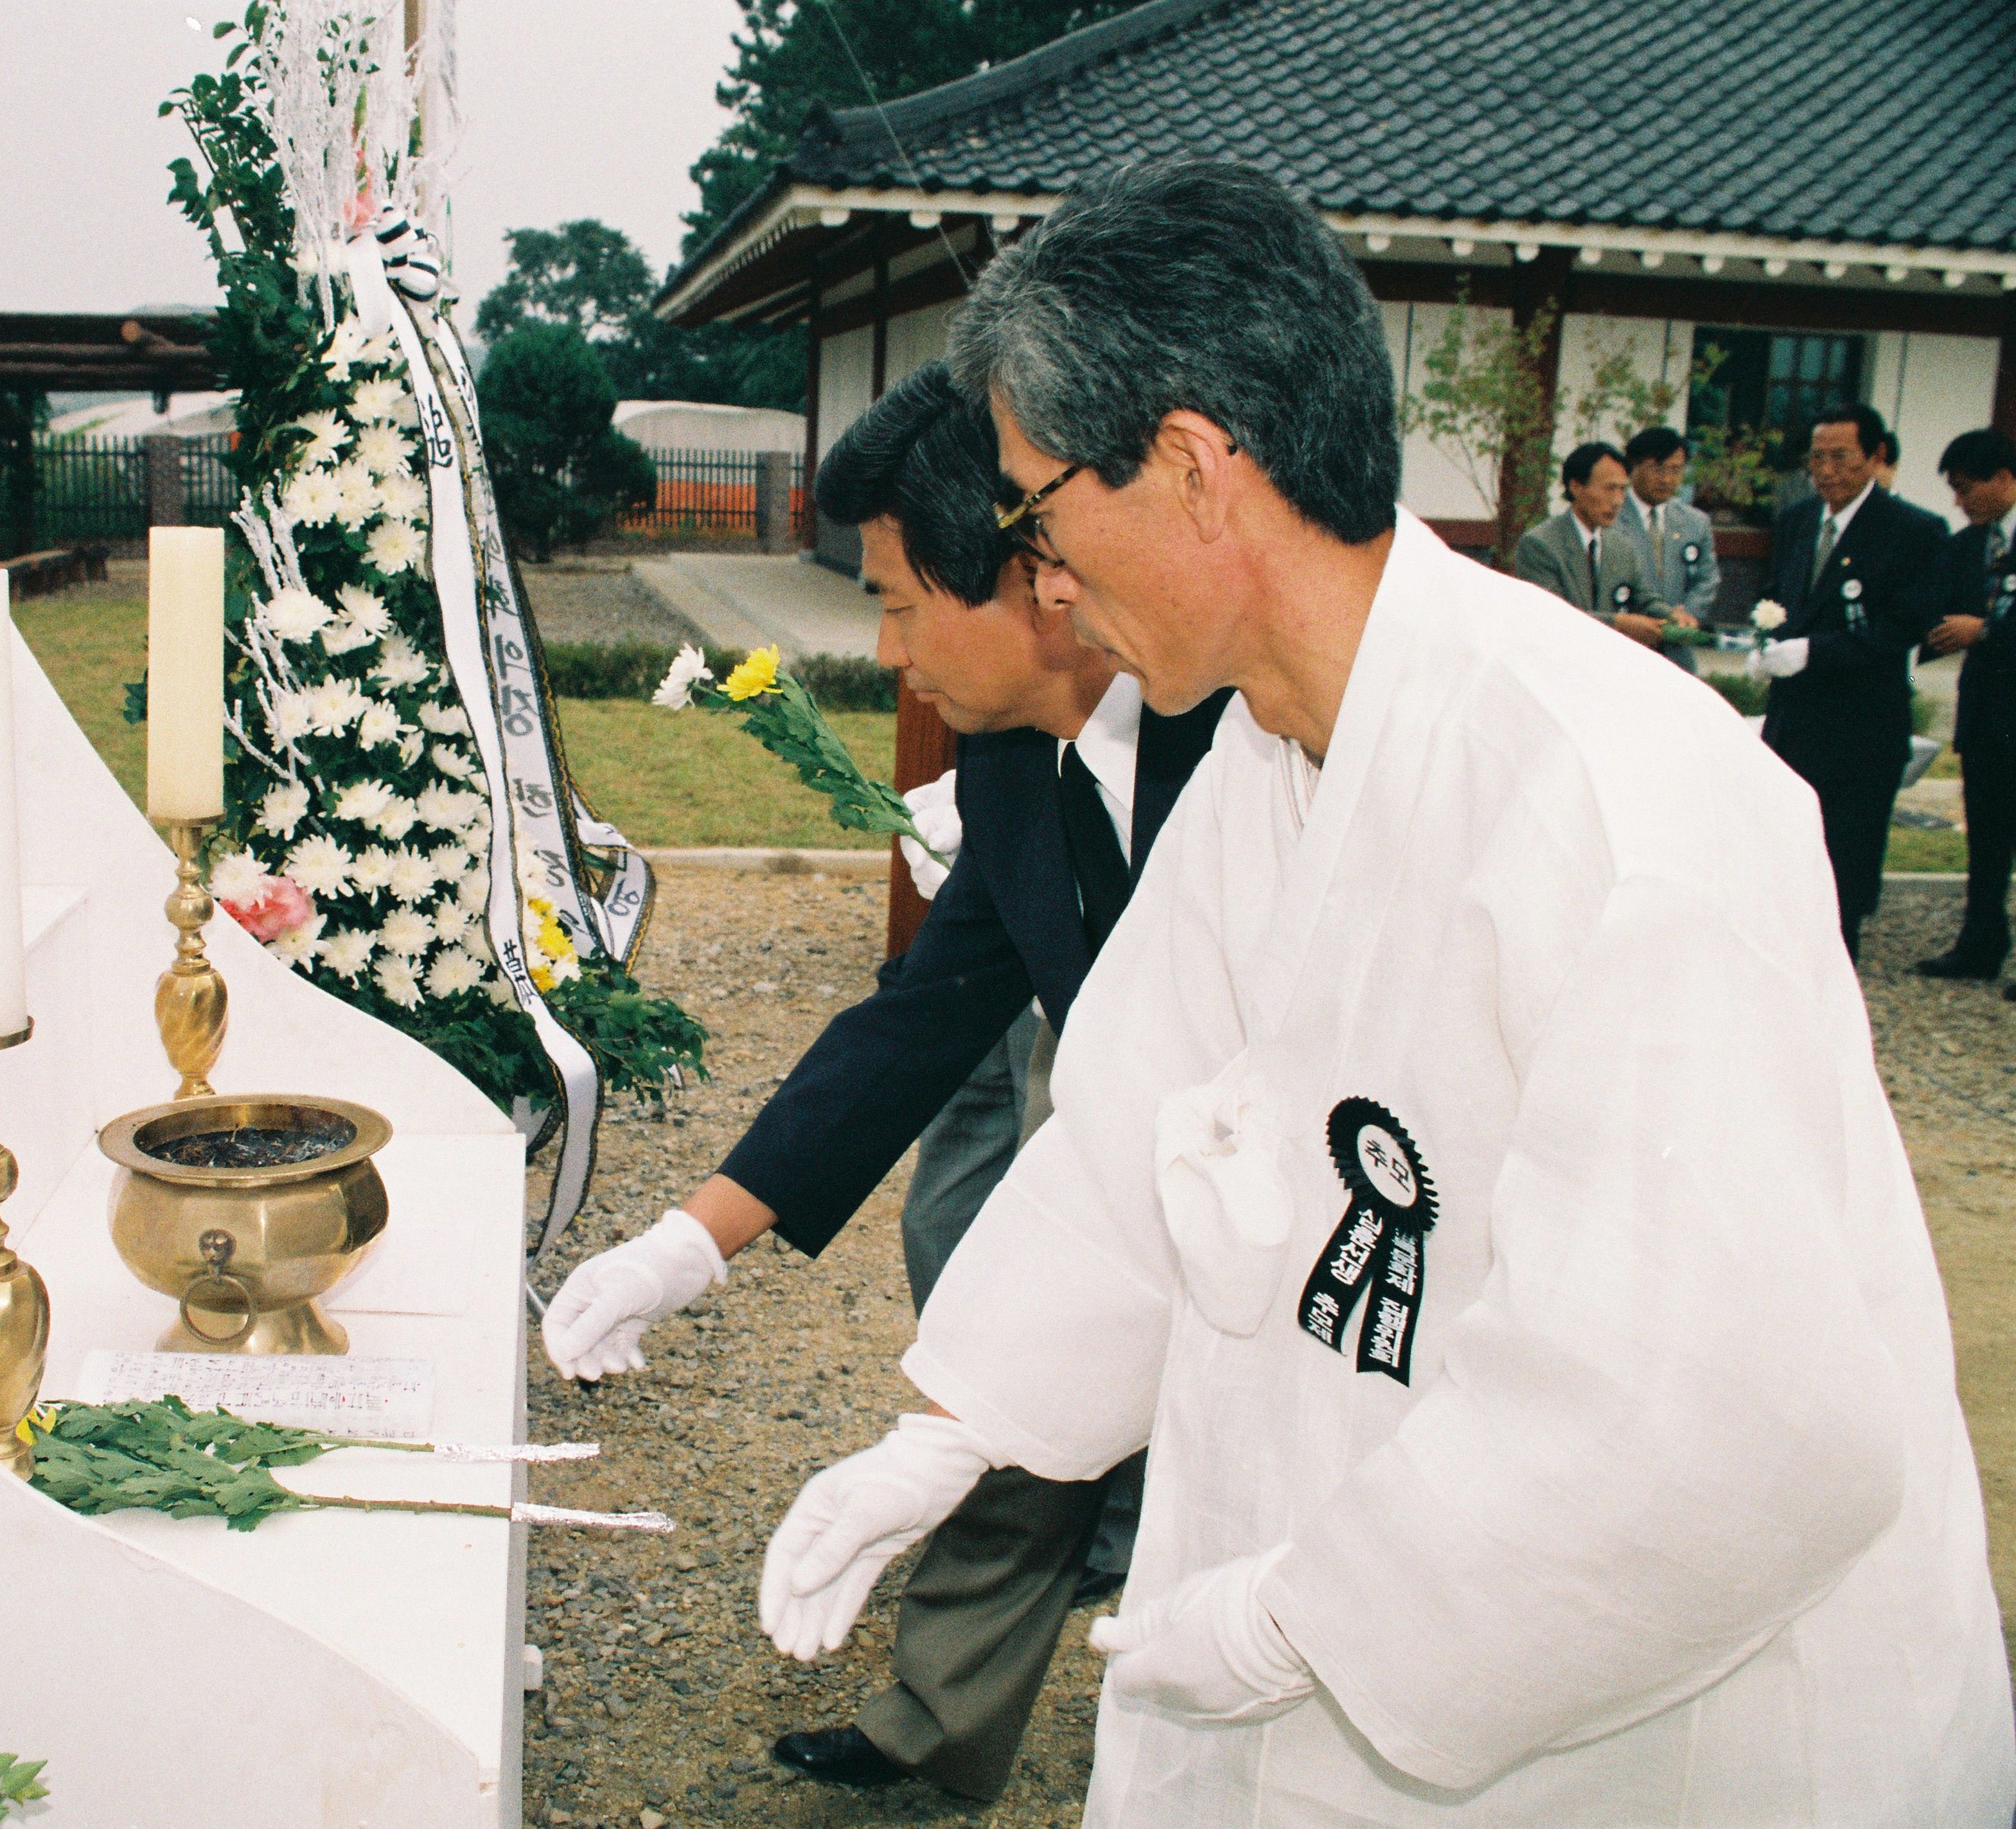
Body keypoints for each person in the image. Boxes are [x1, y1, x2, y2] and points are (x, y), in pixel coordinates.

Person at [756, 156, 2013, 1825]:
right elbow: (1144, 1137)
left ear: (1193, 468)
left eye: (1035, 517)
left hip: (1628, 1722)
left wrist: (1313, 1617)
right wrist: (963, 1424)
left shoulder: (1618, 805)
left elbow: (1714, 1414)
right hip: (1339, 1575)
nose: (1040, 583)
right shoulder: (1266, 754)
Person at [542, 360, 1224, 1804]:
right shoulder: (1012, 763)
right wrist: (687, 1244)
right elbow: (920, 1019)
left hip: (1273, 1225)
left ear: (1037, 577)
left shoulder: (1239, 746)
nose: (888, 647)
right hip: (1115, 1192)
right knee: (999, 1403)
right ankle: (935, 1735)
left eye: (903, 603)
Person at [1749, 403, 1951, 955]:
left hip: (1859, 732)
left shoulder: (1913, 530)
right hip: (1793, 725)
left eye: (1841, 457)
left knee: (1843, 873)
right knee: (1784, 864)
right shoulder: (1797, 520)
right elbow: (1778, 596)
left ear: (1875, 456)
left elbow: (1902, 627)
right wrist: (1764, 644)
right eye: (1816, 458)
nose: (1826, 471)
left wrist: (1815, 652)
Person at [1914, 427, 2016, 985]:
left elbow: (1983, 625)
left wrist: (1989, 631)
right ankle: (1980, 944)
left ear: (2003, 479)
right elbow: (1934, 608)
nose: (1958, 501)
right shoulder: (1969, 545)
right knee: (1988, 837)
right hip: (1986, 717)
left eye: (1966, 487)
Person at [1514, 442, 1690, 657]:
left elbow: (1643, 598)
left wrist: (1671, 616)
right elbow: (1553, 616)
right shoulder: (1540, 545)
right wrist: (1619, 624)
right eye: (1609, 489)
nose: (1617, 501)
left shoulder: (1620, 547)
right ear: (1576, 487)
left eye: (1622, 490)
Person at [1616, 424, 1722, 670]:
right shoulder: (1611, 518)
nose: (1666, 479)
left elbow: (1707, 579)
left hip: (1677, 651)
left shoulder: (1696, 522)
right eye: (1657, 469)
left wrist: (1686, 618)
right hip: (1625, 644)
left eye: (1675, 470)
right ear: (1633, 467)